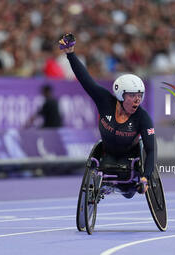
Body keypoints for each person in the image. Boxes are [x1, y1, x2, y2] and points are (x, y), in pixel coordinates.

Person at [59, 33, 156, 195]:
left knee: (128, 191)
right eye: (132, 95)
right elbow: (85, 79)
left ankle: (123, 187)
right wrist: (70, 54)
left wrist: (146, 177)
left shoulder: (143, 117)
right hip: (107, 155)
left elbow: (151, 150)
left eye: (140, 95)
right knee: (105, 173)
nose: (137, 100)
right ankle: (106, 186)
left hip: (130, 160)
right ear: (120, 94)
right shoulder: (105, 101)